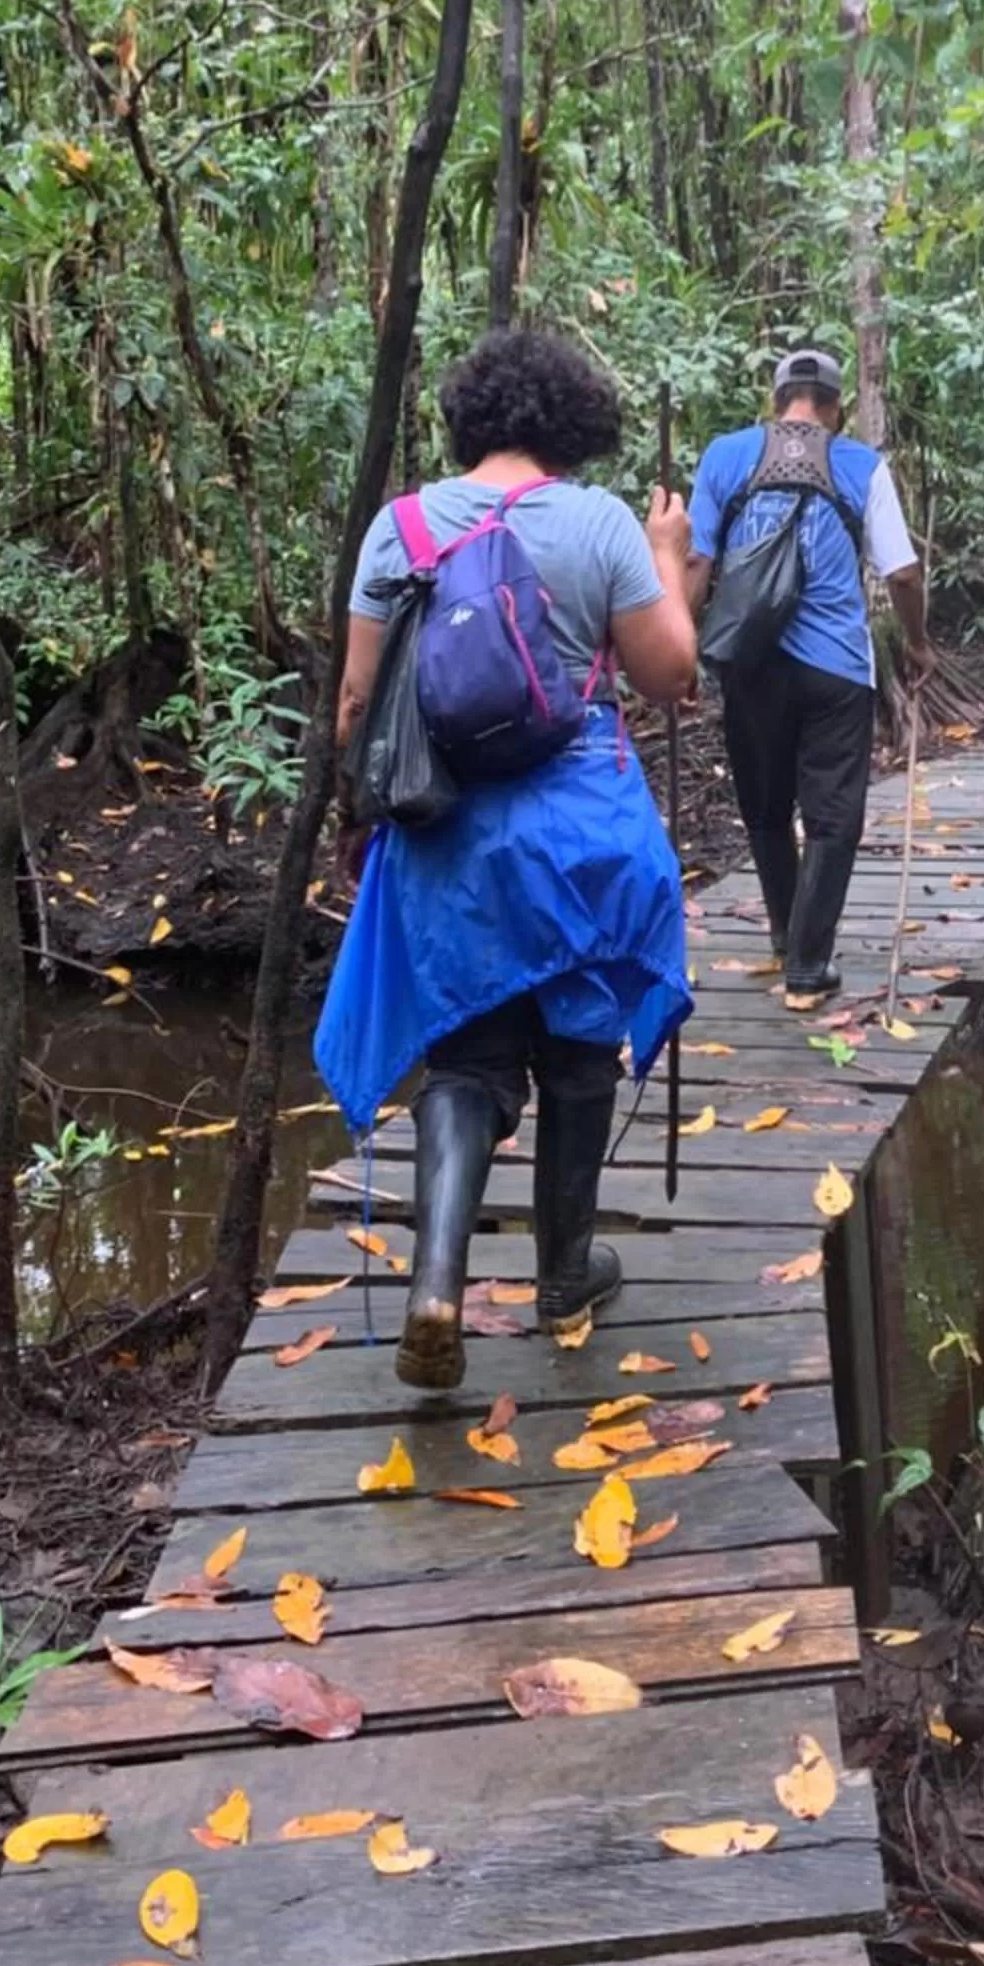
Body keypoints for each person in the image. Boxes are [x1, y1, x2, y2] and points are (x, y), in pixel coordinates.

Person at [314, 329, 697, 1387]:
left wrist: (369, 816)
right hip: (582, 833)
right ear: (574, 425)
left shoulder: (398, 528)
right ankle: (564, 1274)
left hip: (447, 835)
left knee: (469, 1061)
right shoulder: (600, 522)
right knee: (578, 1049)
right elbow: (671, 676)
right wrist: (670, 558)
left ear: (469, 420)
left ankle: (436, 1280)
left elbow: (355, 705)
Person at [687, 348, 931, 1011]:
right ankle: (807, 965)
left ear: (776, 402)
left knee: (765, 807)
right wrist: (916, 643)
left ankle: (782, 934)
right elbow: (903, 573)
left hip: (750, 663)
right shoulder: (860, 464)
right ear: (836, 408)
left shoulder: (725, 456)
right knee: (831, 818)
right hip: (836, 670)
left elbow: (697, 562)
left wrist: (683, 653)